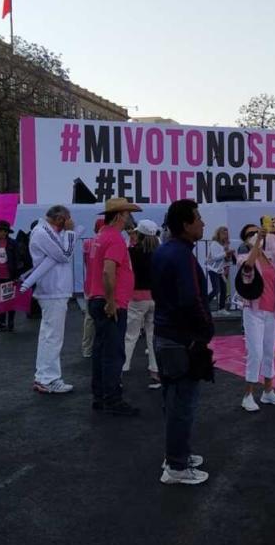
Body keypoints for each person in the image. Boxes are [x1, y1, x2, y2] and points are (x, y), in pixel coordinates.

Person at [153, 199, 214, 485]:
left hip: (166, 337)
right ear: (186, 224)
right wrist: (205, 331)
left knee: (173, 401)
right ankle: (176, 466)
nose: (203, 223)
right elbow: (193, 299)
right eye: (198, 218)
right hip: (181, 340)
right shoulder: (182, 255)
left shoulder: (164, 251)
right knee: (182, 404)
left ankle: (176, 455)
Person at [86, 197, 142, 415]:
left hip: (97, 299)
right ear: (119, 215)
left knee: (101, 351)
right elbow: (108, 271)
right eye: (127, 214)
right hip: (111, 303)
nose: (129, 218)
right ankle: (112, 399)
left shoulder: (100, 237)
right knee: (113, 353)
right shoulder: (115, 239)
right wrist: (111, 301)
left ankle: (100, 396)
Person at [20, 206, 77, 394]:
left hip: (53, 290)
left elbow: (61, 253)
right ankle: (49, 378)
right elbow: (65, 254)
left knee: (48, 336)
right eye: (66, 220)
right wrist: (70, 232)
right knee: (52, 337)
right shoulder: (43, 232)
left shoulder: (45, 231)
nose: (68, 223)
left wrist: (66, 232)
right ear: (59, 219)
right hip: (53, 290)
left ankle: (44, 377)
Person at [237, 222, 275, 412]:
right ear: (245, 240)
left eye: (256, 231)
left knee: (269, 352)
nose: (254, 234)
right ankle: (248, 395)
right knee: (256, 352)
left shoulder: (271, 257)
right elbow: (247, 269)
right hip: (253, 311)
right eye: (250, 233)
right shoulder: (243, 256)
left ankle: (268, 391)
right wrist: (258, 239)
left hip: (273, 311)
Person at [123, 219, 161, 389]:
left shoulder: (132, 252)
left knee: (130, 335)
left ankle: (122, 369)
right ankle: (155, 371)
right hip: (156, 297)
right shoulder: (160, 253)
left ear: (139, 234)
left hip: (137, 297)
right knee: (152, 336)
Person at [0, 220, 22, 333]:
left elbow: (17, 259)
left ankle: (10, 322)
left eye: (1, 230)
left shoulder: (13, 243)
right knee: (1, 299)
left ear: (6, 232)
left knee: (9, 299)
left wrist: (16, 275)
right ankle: (2, 322)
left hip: (9, 275)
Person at [81, 219, 105, 358]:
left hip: (89, 285)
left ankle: (87, 349)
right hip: (105, 286)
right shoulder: (110, 242)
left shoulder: (87, 243)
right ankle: (102, 347)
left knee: (89, 319)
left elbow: (86, 264)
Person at [205, 226, 233, 315]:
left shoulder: (226, 245)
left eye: (226, 233)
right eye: (223, 233)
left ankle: (221, 308)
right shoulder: (214, 244)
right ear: (218, 234)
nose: (225, 235)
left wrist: (228, 257)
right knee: (216, 289)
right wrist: (226, 253)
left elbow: (227, 260)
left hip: (220, 270)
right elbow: (214, 257)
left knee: (224, 289)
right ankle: (203, 305)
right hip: (213, 269)